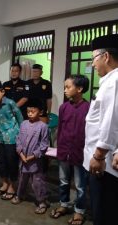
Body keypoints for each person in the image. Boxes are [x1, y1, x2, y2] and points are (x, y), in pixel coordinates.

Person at [83, 34, 118, 225]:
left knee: (104, 211)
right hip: (107, 156)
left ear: (106, 57)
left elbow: (110, 120)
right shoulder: (110, 80)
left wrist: (98, 156)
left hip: (104, 163)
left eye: (94, 59)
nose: (93, 64)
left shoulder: (114, 81)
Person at [50, 75, 90, 225]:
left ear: (79, 89)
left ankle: (79, 211)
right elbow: (60, 130)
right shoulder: (63, 107)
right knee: (63, 180)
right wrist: (59, 147)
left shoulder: (88, 108)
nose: (65, 90)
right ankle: (64, 204)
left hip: (80, 152)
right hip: (64, 150)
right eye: (65, 87)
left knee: (80, 185)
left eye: (68, 87)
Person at [11, 98, 49, 214]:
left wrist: (32, 156)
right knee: (22, 179)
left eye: (33, 111)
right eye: (28, 111)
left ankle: (42, 201)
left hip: (35, 161)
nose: (30, 114)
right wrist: (21, 154)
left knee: (37, 181)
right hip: (22, 159)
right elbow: (18, 139)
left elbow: (44, 145)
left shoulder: (43, 126)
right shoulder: (23, 124)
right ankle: (20, 195)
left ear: (40, 112)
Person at [0, 81, 23, 200]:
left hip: (13, 137)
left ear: (2, 92)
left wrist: (22, 136)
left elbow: (20, 118)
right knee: (2, 161)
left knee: (12, 161)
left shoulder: (10, 103)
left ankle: (13, 186)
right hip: (1, 137)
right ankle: (4, 184)